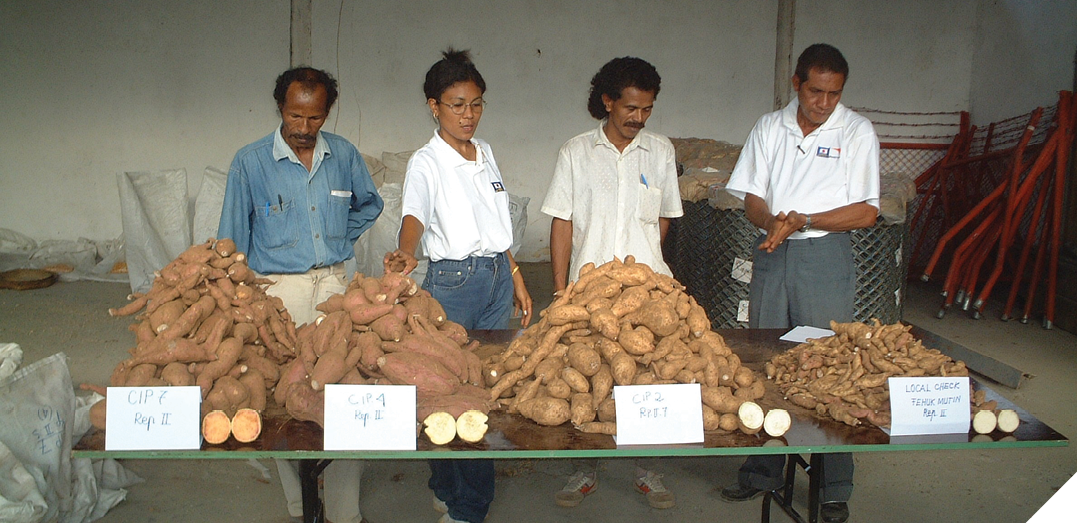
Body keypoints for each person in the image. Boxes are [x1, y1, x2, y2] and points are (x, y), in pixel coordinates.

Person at [719, 43, 880, 523]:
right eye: (815, 92)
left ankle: (833, 485)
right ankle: (762, 472)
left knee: (828, 366)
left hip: (825, 255)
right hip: (773, 251)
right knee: (767, 361)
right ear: (797, 84)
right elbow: (750, 195)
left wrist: (806, 218)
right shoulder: (770, 127)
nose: (824, 103)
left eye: (834, 94)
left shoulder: (856, 131)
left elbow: (867, 211)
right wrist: (771, 221)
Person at [218, 66, 383, 523]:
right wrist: (242, 303)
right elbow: (231, 241)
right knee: (279, 396)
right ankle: (298, 499)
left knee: (348, 393)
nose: (304, 129)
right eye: (295, 117)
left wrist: (339, 240)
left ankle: (344, 509)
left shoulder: (344, 154)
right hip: (279, 293)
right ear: (280, 109)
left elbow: (370, 203)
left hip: (335, 286)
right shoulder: (249, 162)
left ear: (327, 112)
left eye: (314, 118)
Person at [382, 49, 533, 523]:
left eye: (476, 104)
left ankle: (449, 488)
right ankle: (467, 505)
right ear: (434, 106)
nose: (468, 115)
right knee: (448, 389)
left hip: (494, 279)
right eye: (456, 104)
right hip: (454, 282)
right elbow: (414, 216)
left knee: (485, 384)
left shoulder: (484, 152)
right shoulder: (426, 163)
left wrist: (516, 276)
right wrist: (408, 251)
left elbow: (496, 223)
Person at [540, 56, 684, 510]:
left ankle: (649, 471)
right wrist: (562, 288)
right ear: (608, 101)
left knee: (649, 374)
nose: (639, 118)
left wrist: (643, 272)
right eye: (630, 108)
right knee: (587, 377)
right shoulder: (575, 152)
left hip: (646, 289)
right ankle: (585, 469)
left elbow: (663, 218)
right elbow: (561, 223)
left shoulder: (660, 152)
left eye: (647, 109)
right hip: (589, 288)